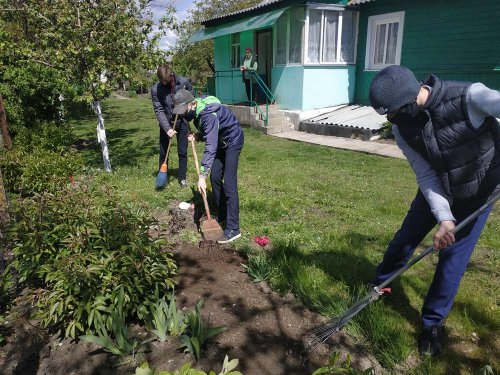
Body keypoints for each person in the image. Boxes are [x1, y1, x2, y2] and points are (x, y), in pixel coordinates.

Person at [368, 65, 500, 357]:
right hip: (437, 188)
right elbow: (425, 174)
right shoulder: (403, 130)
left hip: (478, 194)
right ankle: (380, 285)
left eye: (392, 112)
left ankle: (432, 323)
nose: (391, 119)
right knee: (405, 240)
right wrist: (443, 215)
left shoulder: (470, 97)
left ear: (411, 97)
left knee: (452, 259)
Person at [172, 89, 244, 244]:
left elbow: (211, 145)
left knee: (229, 183)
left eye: (183, 110)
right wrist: (198, 136)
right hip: (221, 141)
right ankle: (223, 214)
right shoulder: (198, 109)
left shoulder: (206, 115)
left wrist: (202, 176)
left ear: (191, 103)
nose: (183, 114)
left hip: (232, 141)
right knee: (216, 177)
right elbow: (209, 132)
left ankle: (233, 228)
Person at [151, 64, 194, 188]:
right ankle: (162, 178)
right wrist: (167, 128)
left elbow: (191, 99)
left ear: (171, 75)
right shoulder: (156, 89)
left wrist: (186, 110)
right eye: (161, 81)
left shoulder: (183, 82)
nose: (163, 83)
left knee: (182, 151)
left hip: (182, 120)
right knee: (163, 152)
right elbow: (159, 109)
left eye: (165, 81)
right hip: (167, 121)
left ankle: (182, 178)